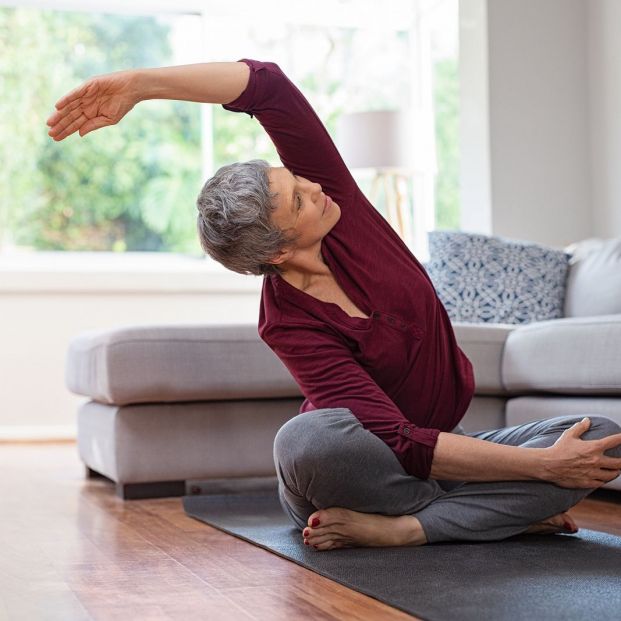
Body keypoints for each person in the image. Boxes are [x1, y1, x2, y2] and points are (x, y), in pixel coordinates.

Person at [47, 58, 621, 551]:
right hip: (363, 474)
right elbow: (396, 442)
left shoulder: (340, 205)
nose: (316, 187)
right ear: (278, 250)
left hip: (442, 462)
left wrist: (142, 84)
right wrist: (542, 471)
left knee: (602, 435)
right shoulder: (285, 323)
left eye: (300, 180)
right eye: (298, 199)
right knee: (305, 441)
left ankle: (412, 527)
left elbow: (265, 85)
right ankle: (478, 516)